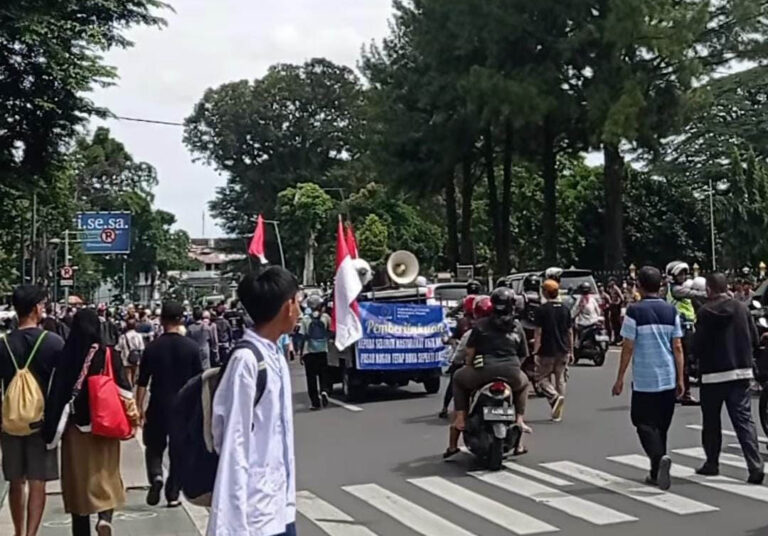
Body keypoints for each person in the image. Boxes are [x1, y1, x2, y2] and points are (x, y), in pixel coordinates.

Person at [207, 267, 300, 536]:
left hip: (280, 505)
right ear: (287, 306)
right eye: (298, 301)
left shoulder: (274, 354)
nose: (300, 310)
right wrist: (231, 527)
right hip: (255, 515)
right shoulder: (246, 362)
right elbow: (232, 445)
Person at [44, 308, 139, 536]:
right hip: (104, 425)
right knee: (106, 475)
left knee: (78, 483)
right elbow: (124, 391)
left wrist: (50, 428)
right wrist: (134, 418)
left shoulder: (67, 355)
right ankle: (105, 518)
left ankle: (81, 530)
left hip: (75, 429)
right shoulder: (108, 354)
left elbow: (56, 393)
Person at [612, 266, 685, 491]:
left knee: (642, 422)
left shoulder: (634, 311)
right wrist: (681, 378)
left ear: (639, 287)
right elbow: (678, 346)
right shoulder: (671, 311)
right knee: (661, 427)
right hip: (667, 377)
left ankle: (657, 458)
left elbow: (628, 346)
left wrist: (620, 377)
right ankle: (656, 472)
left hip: (645, 379)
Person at [0, 286, 64, 536]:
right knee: (38, 481)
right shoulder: (53, 343)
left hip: (10, 421)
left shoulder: (3, 344)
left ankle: (18, 531)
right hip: (41, 421)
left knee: (16, 481)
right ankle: (31, 533)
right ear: (36, 308)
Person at [693, 273, 764, 484]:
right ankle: (755, 465)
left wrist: (694, 358)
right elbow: (754, 338)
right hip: (740, 372)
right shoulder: (741, 308)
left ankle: (712, 463)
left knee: (711, 422)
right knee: (744, 421)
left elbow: (698, 344)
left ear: (709, 289)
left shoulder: (705, 312)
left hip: (712, 375)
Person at [445, 287, 530, 458]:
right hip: (512, 373)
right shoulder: (517, 326)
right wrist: (513, 367)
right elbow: (523, 354)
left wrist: (470, 365)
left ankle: (460, 419)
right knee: (524, 384)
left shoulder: (480, 325)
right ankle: (519, 420)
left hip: (482, 371)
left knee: (458, 379)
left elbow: (470, 352)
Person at [136, 301, 203, 507]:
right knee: (179, 451)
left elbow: (142, 381)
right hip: (183, 406)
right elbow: (199, 381)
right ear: (181, 319)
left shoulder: (152, 348)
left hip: (158, 403)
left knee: (154, 446)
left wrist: (139, 407)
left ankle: (156, 475)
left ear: (161, 319)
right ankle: (173, 493)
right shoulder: (192, 348)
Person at [666, 260, 706, 405]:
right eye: (679, 274)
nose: (683, 277)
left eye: (684, 274)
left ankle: (678, 392)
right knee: (685, 362)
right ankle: (685, 394)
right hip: (682, 330)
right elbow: (694, 294)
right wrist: (710, 292)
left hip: (684, 327)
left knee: (681, 363)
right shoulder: (676, 290)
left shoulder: (675, 289)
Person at [533, 280, 573, 422]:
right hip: (563, 349)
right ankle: (558, 411)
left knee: (541, 378)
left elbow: (538, 332)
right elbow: (569, 332)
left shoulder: (542, 310)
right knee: (560, 379)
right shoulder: (565, 309)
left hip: (547, 349)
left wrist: (535, 350)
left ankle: (554, 398)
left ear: (545, 292)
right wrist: (571, 350)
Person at [300, 296, 331, 410]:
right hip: (323, 350)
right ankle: (324, 391)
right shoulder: (325, 317)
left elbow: (303, 337)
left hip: (309, 352)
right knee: (324, 374)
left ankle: (315, 402)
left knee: (311, 378)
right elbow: (330, 331)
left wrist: (301, 353)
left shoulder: (305, 319)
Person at [572, 282, 602, 348]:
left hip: (583, 323)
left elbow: (574, 312)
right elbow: (598, 311)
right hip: (593, 321)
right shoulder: (592, 299)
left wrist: (572, 317)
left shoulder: (580, 300)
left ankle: (577, 344)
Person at [115, 318, 144, 387]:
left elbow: (118, 347)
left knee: (128, 374)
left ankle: (129, 387)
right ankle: (133, 386)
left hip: (126, 356)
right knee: (134, 373)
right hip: (136, 357)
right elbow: (141, 347)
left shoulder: (123, 336)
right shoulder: (139, 335)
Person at [606, 278, 624, 345]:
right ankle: (615, 338)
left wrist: (617, 304)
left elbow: (622, 298)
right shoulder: (610, 289)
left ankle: (619, 338)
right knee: (613, 323)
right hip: (612, 306)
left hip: (616, 307)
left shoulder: (616, 288)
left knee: (617, 323)